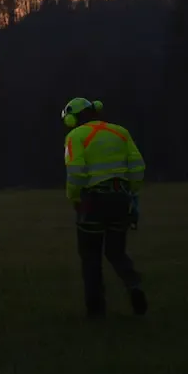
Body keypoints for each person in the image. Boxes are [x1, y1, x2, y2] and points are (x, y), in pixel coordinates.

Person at [61, 97, 148, 318]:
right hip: (121, 198)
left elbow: (76, 172)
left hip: (93, 201)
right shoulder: (120, 132)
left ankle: (96, 309)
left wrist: (75, 198)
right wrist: (131, 193)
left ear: (72, 118)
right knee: (116, 251)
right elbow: (138, 166)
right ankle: (134, 285)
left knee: (90, 255)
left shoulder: (75, 136)